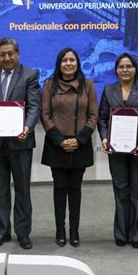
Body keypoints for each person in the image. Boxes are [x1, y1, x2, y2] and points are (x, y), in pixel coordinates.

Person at [0, 37, 41, 250]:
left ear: (17, 54)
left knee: (22, 190)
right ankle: (2, 232)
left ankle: (23, 233)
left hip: (21, 142)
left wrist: (28, 127)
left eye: (10, 53)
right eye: (2, 54)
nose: (6, 58)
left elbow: (34, 106)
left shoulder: (30, 75)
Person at [98, 53, 138, 248]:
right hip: (116, 150)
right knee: (121, 191)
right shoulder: (108, 90)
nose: (124, 70)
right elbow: (103, 119)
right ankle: (121, 233)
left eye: (128, 66)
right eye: (121, 67)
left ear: (135, 69)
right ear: (116, 70)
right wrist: (105, 138)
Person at [41, 48, 98, 247]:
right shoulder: (49, 84)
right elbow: (45, 115)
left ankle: (74, 231)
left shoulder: (88, 84)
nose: (68, 63)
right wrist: (60, 139)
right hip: (57, 145)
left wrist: (79, 139)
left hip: (80, 144)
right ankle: (60, 230)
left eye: (72, 60)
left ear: (77, 63)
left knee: (75, 189)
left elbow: (93, 116)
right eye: (64, 60)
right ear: (59, 63)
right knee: (59, 188)